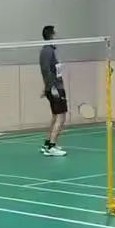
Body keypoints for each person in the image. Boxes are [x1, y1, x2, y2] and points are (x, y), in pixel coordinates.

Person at [39, 24, 67, 157]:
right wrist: (51, 88)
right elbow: (46, 70)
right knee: (61, 117)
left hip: (54, 86)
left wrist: (46, 87)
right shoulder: (47, 51)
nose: (57, 36)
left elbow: (50, 70)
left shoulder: (50, 50)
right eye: (55, 33)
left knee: (56, 116)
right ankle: (51, 146)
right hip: (56, 88)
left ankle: (48, 143)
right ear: (51, 35)